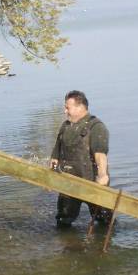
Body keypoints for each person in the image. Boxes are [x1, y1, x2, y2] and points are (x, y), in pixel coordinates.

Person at [49, 90, 113, 227]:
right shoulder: (65, 127)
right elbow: (55, 156)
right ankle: (67, 245)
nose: (65, 111)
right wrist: (50, 179)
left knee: (104, 221)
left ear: (80, 107)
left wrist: (102, 176)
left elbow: (100, 155)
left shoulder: (97, 127)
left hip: (92, 182)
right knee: (62, 220)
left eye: (67, 107)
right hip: (69, 182)